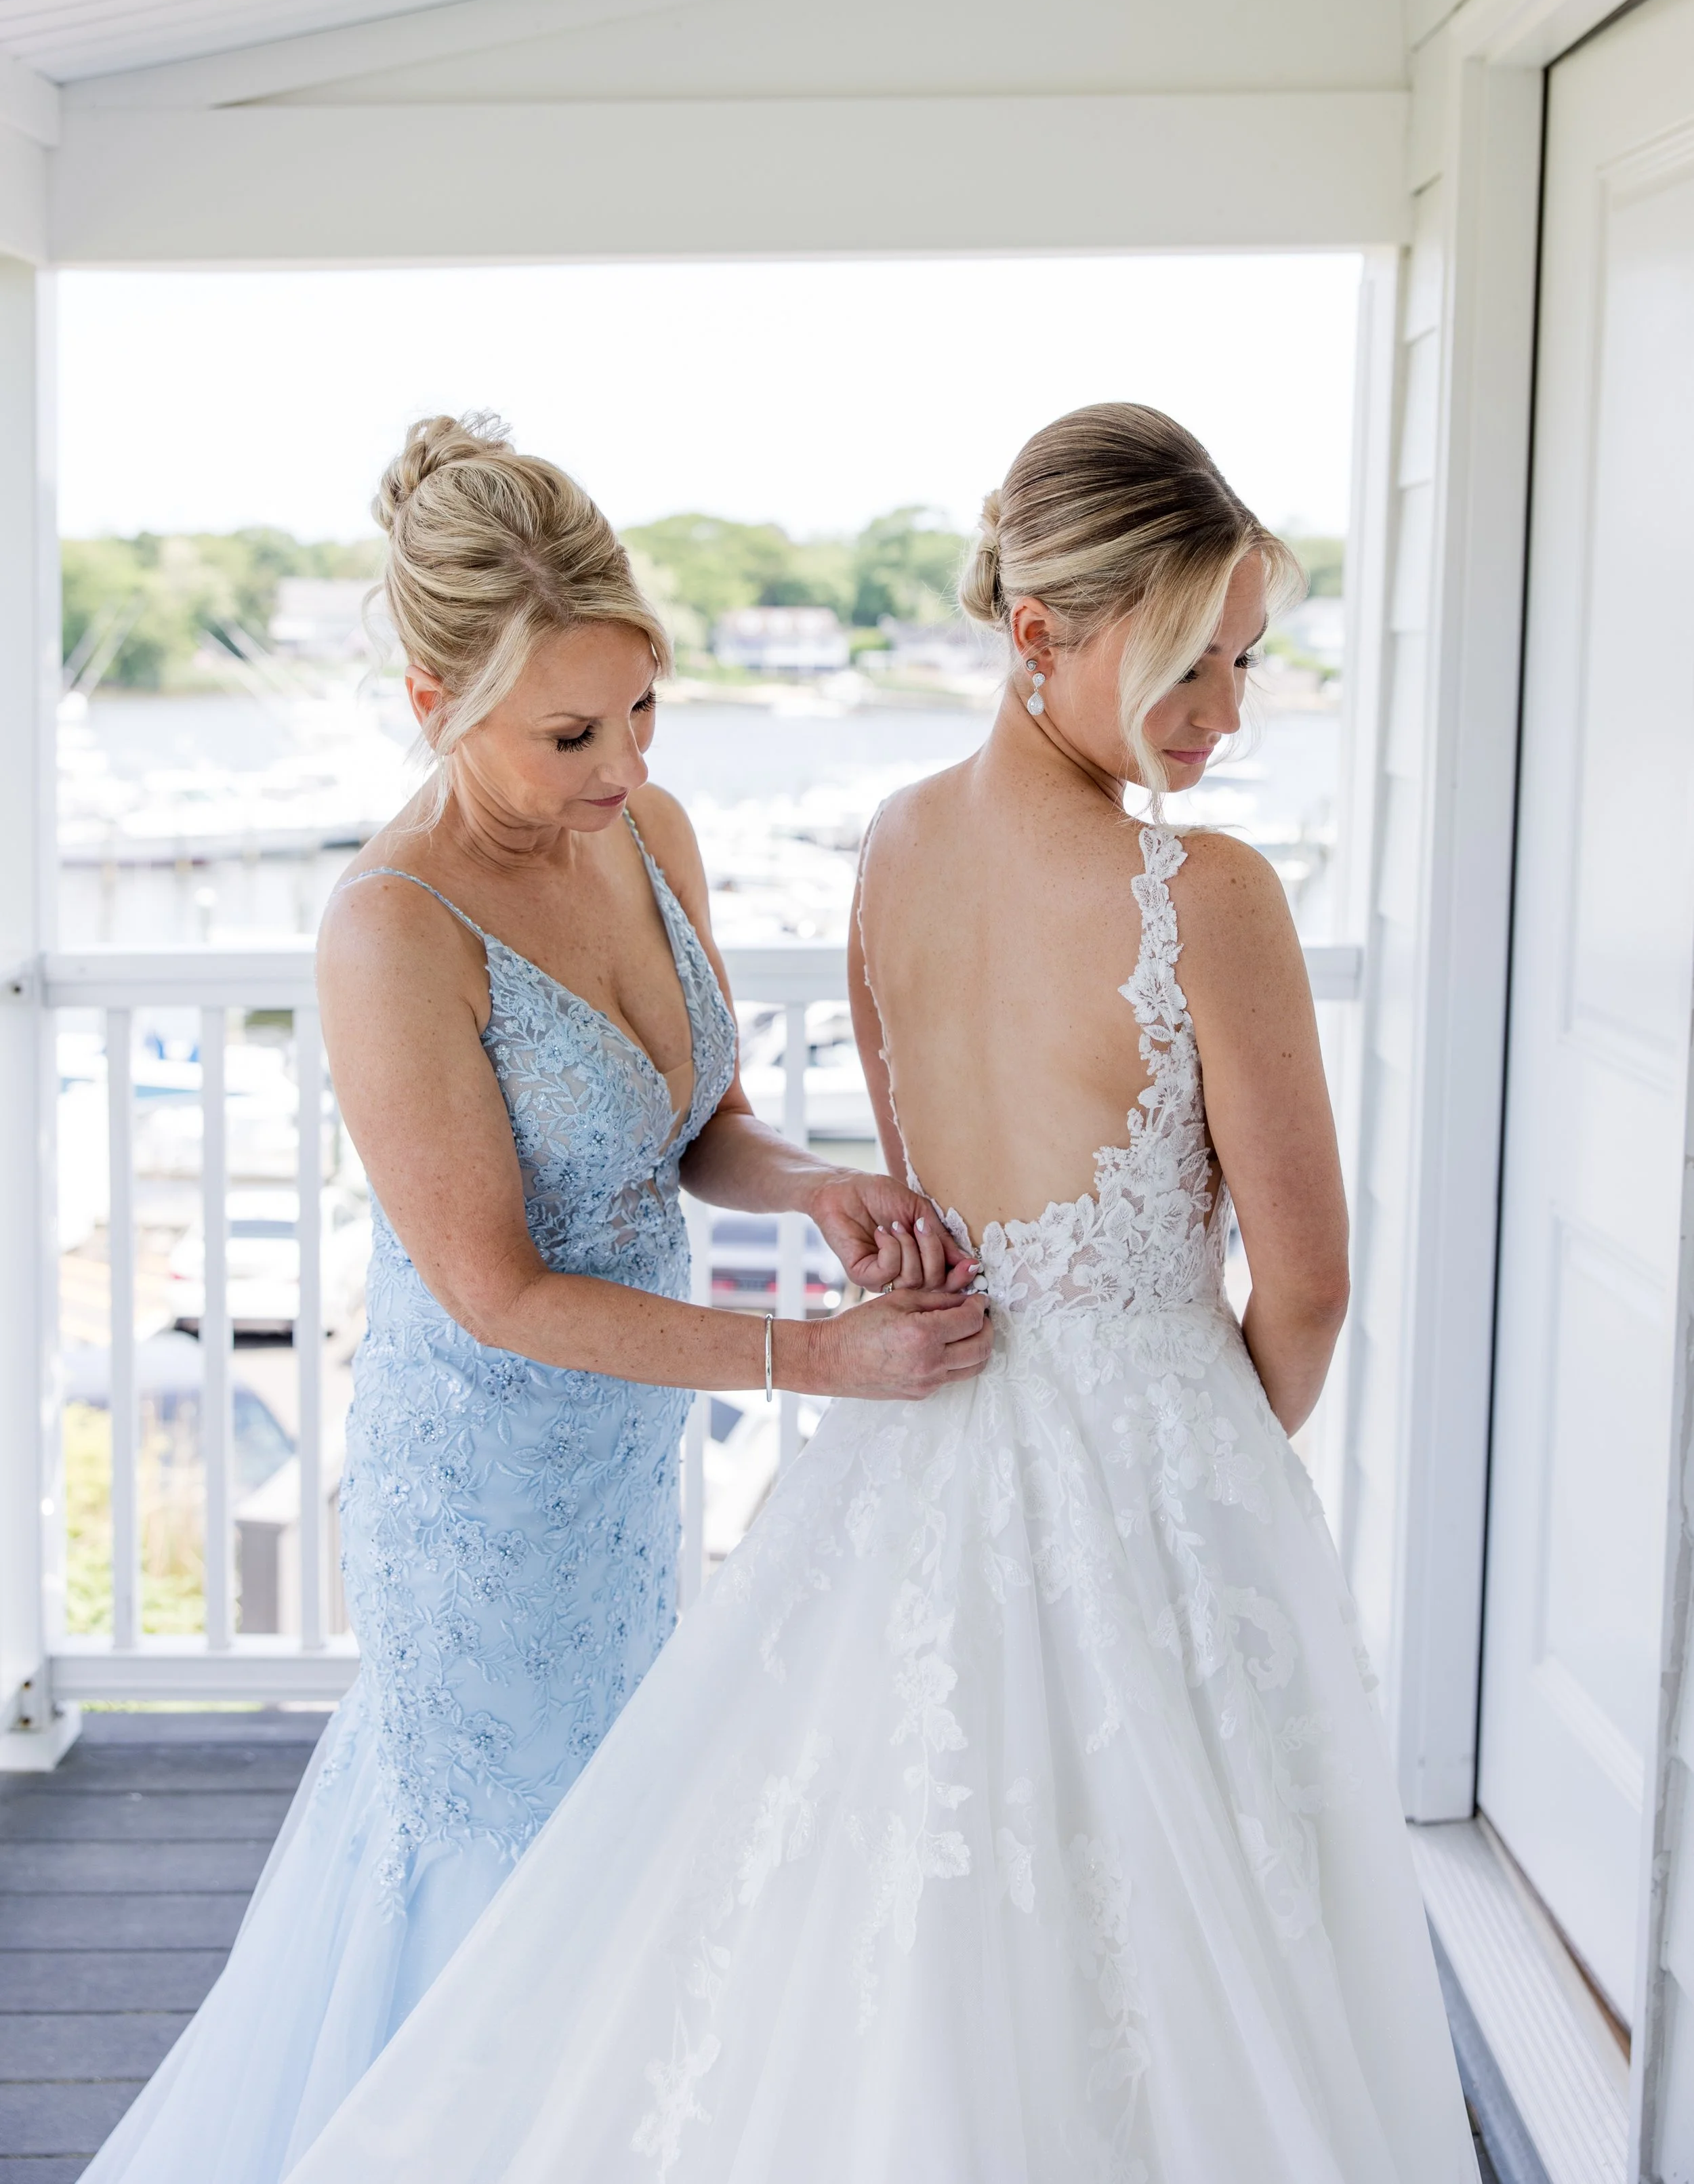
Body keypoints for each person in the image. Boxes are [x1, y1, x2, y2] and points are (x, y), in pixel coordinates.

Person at [290, 405, 1479, 2184]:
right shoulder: (1205, 893)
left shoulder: (892, 845)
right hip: (774, 1409)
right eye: (1190, 663)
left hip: (904, 1420)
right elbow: (1301, 1277)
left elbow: (869, 1151)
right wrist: (1202, 1459)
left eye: (1246, 663)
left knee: (842, 1888)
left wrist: (835, 1208)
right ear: (1039, 634)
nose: (1229, 713)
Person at [82, 415, 987, 2184]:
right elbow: (494, 1287)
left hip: (629, 1462)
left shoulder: (653, 834)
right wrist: (818, 1359)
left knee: (624, 1871)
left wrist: (830, 1194)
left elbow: (701, 1126)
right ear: (430, 696)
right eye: (570, 731)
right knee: (506, 1878)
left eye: (642, 712)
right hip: (486, 1485)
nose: (618, 766)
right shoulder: (390, 929)